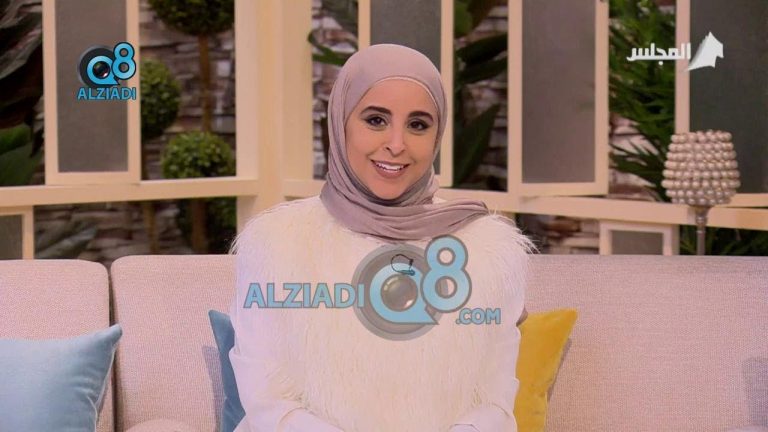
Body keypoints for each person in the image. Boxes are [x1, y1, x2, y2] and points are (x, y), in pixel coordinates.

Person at [228, 44, 536, 432]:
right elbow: (268, 403)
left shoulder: (487, 251)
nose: (396, 144)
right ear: (340, 123)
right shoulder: (276, 244)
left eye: (418, 125)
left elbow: (494, 404)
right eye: (376, 120)